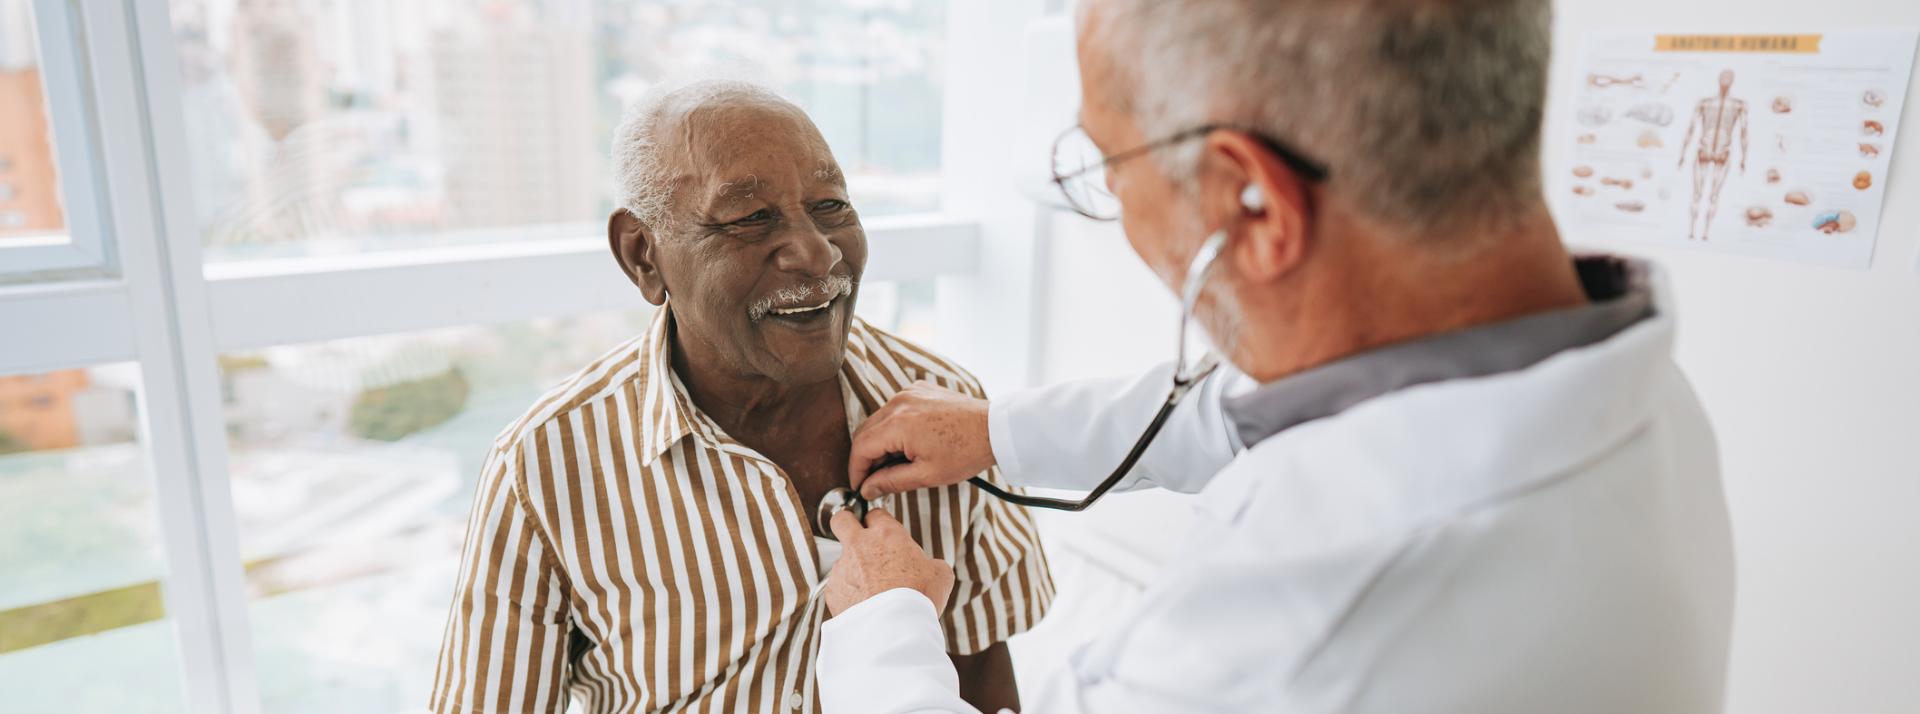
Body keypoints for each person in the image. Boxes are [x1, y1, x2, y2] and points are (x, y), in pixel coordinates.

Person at [817, 0, 1735, 712]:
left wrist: (882, 629)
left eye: (1105, 169)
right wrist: (1004, 432)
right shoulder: (1620, 382)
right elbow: (1265, 410)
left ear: (1252, 206)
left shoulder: (1302, 632)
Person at [430, 80, 1052, 714]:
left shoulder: (952, 409)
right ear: (644, 256)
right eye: (752, 217)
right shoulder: (543, 466)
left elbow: (981, 670)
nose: (816, 251)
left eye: (832, 204)